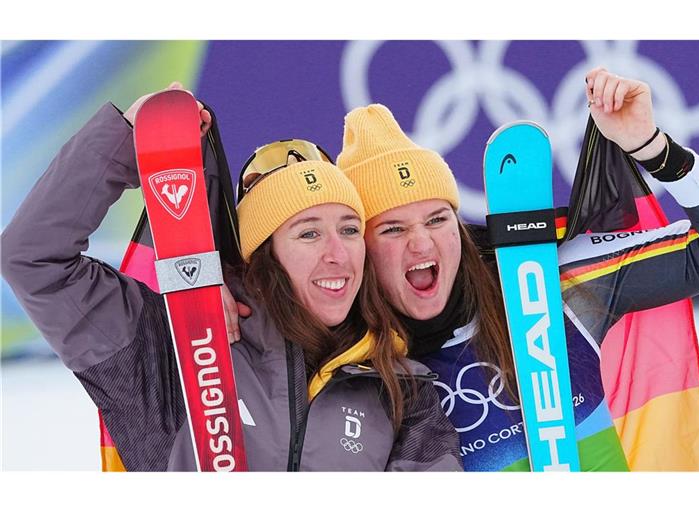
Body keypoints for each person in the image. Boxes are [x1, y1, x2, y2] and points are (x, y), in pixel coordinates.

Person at [0, 83, 462, 471]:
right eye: (308, 234)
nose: (337, 254)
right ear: (265, 259)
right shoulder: (167, 351)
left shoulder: (401, 389)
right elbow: (33, 257)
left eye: (349, 229)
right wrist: (126, 139)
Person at [330, 68, 699, 471]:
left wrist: (651, 147)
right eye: (391, 229)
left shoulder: (551, 283)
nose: (421, 243)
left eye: (437, 219)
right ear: (360, 251)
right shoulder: (348, 369)